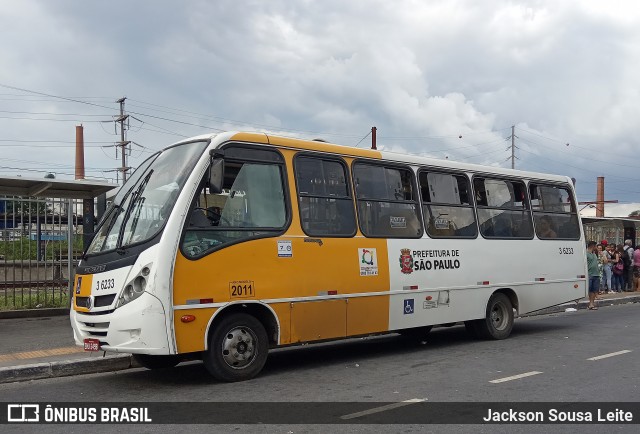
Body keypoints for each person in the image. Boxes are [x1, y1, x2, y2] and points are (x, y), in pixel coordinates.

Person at [586, 241, 600, 310]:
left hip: (596, 274)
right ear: (593, 246)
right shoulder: (586, 253)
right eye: (595, 246)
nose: (596, 247)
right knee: (590, 289)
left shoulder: (594, 254)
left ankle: (592, 303)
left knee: (595, 290)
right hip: (589, 273)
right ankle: (590, 303)